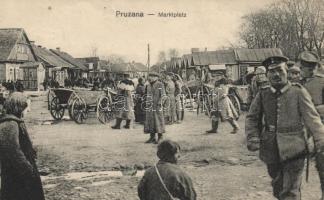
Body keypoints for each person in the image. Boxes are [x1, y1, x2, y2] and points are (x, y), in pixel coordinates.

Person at [245, 55, 324, 200]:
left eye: (280, 70)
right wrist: (253, 137)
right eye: (272, 71)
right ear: (267, 74)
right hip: (271, 149)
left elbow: (313, 119)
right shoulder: (263, 94)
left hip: (295, 148)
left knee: (290, 191)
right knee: (278, 188)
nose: (276, 74)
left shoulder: (298, 92)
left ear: (286, 71)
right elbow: (252, 118)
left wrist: (320, 141)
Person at [0, 92, 45, 200]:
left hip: (20, 178)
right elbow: (13, 152)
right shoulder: (9, 124)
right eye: (26, 107)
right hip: (17, 178)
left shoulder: (14, 122)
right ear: (18, 107)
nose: (28, 110)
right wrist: (28, 170)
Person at [298, 51, 324, 200]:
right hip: (302, 130)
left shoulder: (322, 82)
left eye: (311, 67)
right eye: (304, 67)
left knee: (322, 165)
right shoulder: (298, 84)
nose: (305, 70)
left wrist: (314, 109)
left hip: (319, 128)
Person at [144, 72, 166, 144]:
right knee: (150, 121)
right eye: (150, 76)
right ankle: (152, 137)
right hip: (150, 106)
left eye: (152, 76)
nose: (150, 78)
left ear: (156, 77)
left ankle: (160, 137)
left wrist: (160, 102)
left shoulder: (160, 84)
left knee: (158, 121)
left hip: (157, 106)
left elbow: (163, 95)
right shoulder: (148, 85)